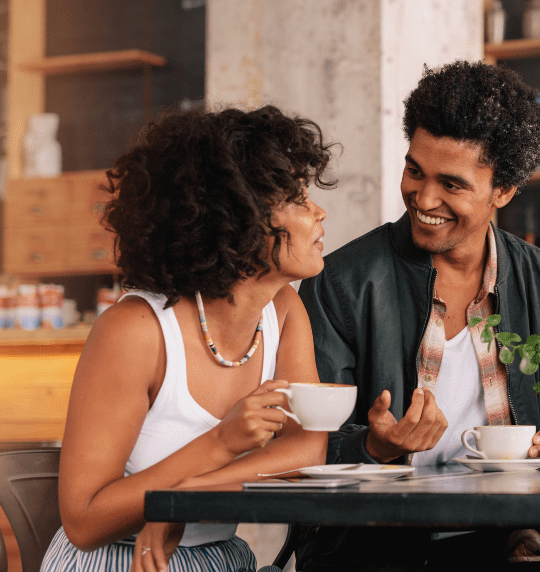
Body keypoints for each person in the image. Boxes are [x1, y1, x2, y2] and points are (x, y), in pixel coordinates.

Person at [297, 60, 540, 572]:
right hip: (377, 551)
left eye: (452, 184)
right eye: (414, 170)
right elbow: (299, 449)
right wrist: (373, 446)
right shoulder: (341, 281)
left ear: (504, 191)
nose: (424, 198)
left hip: (514, 548)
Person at [41, 105, 335, 572]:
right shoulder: (136, 330)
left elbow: (303, 451)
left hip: (222, 558)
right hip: (120, 562)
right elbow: (84, 521)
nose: (319, 211)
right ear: (240, 218)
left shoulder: (284, 309)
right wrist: (222, 442)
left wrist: (182, 497)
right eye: (297, 199)